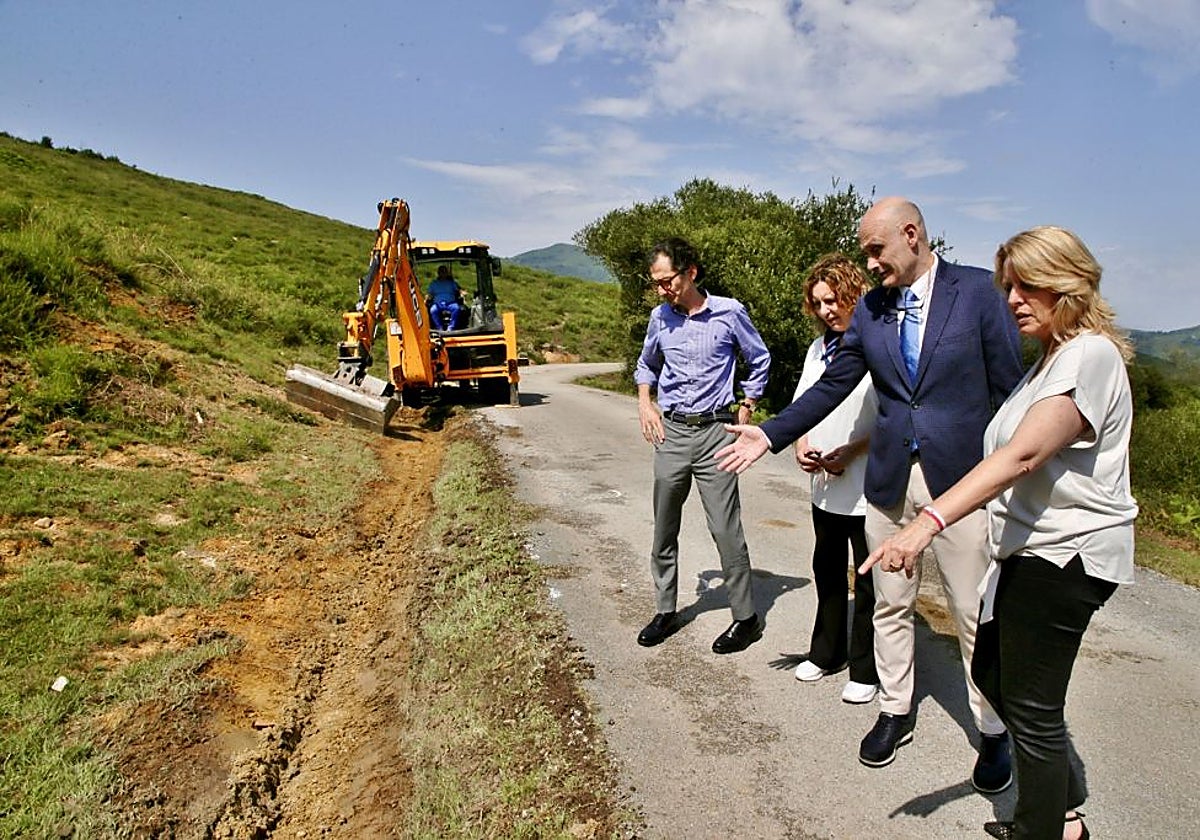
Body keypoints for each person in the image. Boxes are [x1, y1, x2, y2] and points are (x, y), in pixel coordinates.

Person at [715, 197, 1024, 791]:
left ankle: (992, 731)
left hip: (959, 482)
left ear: (911, 235)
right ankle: (895, 708)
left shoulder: (980, 293)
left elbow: (1009, 391)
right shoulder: (874, 310)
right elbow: (835, 381)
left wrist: (1013, 478)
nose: (870, 263)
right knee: (888, 601)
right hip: (886, 482)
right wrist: (773, 432)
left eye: (876, 250)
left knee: (969, 610)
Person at [864, 226, 1136, 840]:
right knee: (994, 673)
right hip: (1027, 547)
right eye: (1008, 285)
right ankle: (1060, 812)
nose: (1012, 298)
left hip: (1065, 555)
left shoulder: (1088, 355)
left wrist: (925, 525)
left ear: (1068, 284)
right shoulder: (1050, 359)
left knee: (1033, 710)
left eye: (1028, 285)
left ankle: (1049, 828)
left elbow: (1019, 457)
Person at [634, 236, 771, 654]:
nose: (662, 289)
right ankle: (665, 610)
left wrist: (747, 404)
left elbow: (759, 359)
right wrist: (645, 402)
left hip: (717, 433)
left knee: (726, 530)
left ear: (690, 272)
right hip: (672, 434)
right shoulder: (661, 318)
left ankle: (746, 619)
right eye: (655, 282)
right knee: (663, 527)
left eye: (667, 280)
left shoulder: (730, 313)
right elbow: (646, 365)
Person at [789, 254, 880, 704]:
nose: (827, 310)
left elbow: (895, 416)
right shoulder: (817, 349)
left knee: (868, 581)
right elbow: (804, 403)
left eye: (833, 300)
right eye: (819, 303)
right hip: (824, 484)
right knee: (826, 568)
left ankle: (866, 668)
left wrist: (853, 449)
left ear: (854, 293)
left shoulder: (878, 345)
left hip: (867, 484)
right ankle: (827, 653)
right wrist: (800, 443)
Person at [426, 265, 465, 330]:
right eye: (441, 272)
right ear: (438, 273)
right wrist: (426, 299)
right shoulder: (434, 283)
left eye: (444, 272)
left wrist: (462, 293)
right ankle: (439, 328)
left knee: (456, 308)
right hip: (438, 304)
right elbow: (429, 294)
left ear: (447, 273)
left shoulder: (451, 283)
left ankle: (451, 327)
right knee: (433, 310)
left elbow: (459, 290)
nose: (443, 273)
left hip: (451, 303)